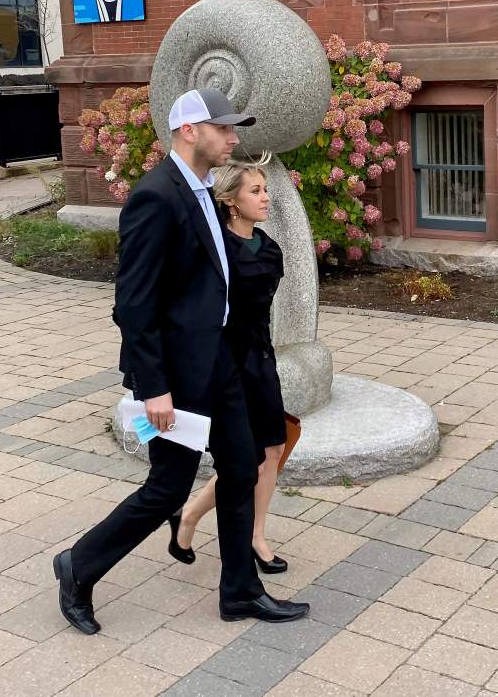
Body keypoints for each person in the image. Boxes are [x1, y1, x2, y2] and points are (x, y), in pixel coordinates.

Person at [52, 87, 309, 634]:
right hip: (178, 377)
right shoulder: (157, 196)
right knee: (167, 488)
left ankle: (240, 591)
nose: (234, 138)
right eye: (225, 128)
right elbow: (134, 302)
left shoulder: (201, 193)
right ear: (190, 130)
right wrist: (154, 387)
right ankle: (78, 566)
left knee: (241, 470)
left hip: (219, 363)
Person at [167, 153, 290, 575]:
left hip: (261, 359)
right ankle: (189, 516)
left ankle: (255, 533)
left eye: (266, 189)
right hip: (228, 363)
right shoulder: (218, 250)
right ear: (232, 201)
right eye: (256, 191)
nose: (266, 197)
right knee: (245, 457)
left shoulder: (269, 247)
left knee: (273, 448)